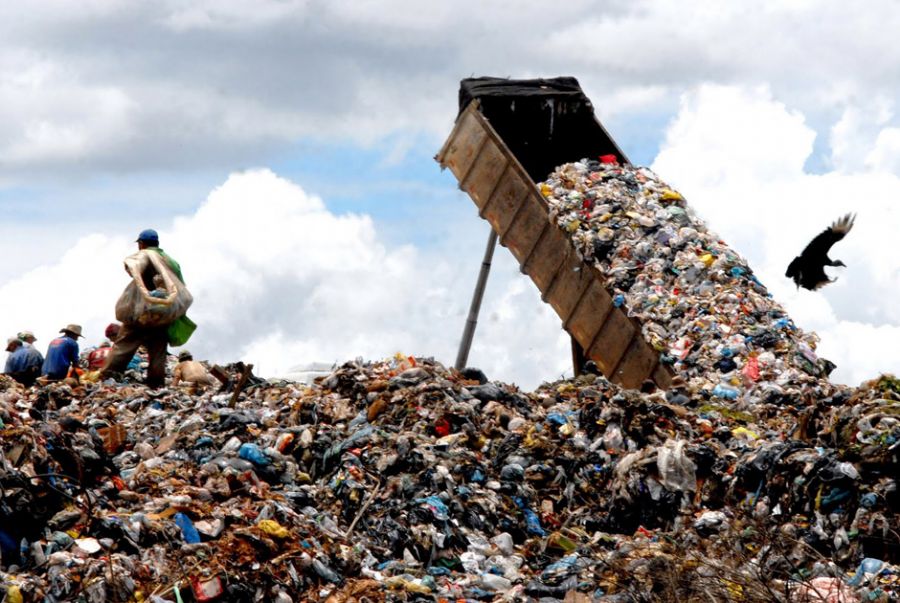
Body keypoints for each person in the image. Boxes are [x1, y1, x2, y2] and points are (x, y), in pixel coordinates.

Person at [100, 229, 184, 389]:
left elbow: (132, 269)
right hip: (163, 313)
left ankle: (108, 378)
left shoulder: (145, 255)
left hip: (143, 311)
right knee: (158, 350)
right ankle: (156, 385)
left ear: (142, 244)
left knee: (124, 344)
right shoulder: (172, 262)